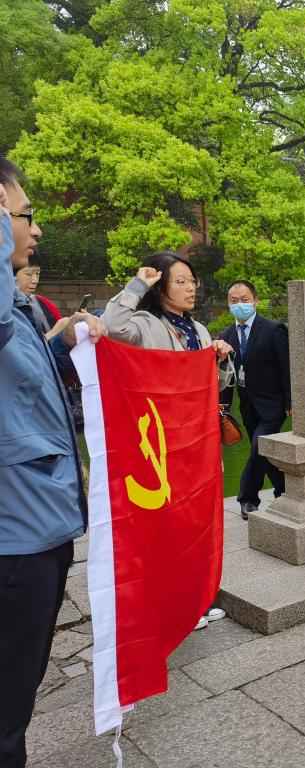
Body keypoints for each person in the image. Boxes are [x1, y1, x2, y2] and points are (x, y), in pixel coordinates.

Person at [1, 159, 106, 768]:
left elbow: (21, 381)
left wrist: (60, 344)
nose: (35, 229)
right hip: (15, 540)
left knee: (18, 694)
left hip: (39, 525)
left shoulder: (18, 312)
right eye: (24, 215)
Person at [103, 251, 234, 630]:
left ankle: (199, 599)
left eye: (192, 281)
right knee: (169, 527)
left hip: (199, 441)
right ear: (160, 288)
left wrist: (222, 359)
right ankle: (173, 606)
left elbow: (215, 386)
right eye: (180, 281)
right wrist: (137, 284)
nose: (190, 288)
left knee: (199, 523)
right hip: (163, 444)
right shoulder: (145, 325)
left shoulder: (200, 330)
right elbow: (111, 327)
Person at [219, 280, 291, 521]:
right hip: (247, 404)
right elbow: (225, 375)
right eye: (234, 301)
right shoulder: (227, 335)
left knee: (258, 447)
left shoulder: (273, 329)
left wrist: (291, 402)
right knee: (264, 452)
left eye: (245, 300)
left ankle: (248, 498)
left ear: (256, 302)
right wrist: (223, 406)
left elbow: (286, 368)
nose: (239, 304)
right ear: (228, 303)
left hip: (274, 404)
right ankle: (285, 490)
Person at [14, 248, 61, 335]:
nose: (35, 280)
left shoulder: (43, 302)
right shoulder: (5, 312)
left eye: (37, 273)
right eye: (28, 274)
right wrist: (55, 332)